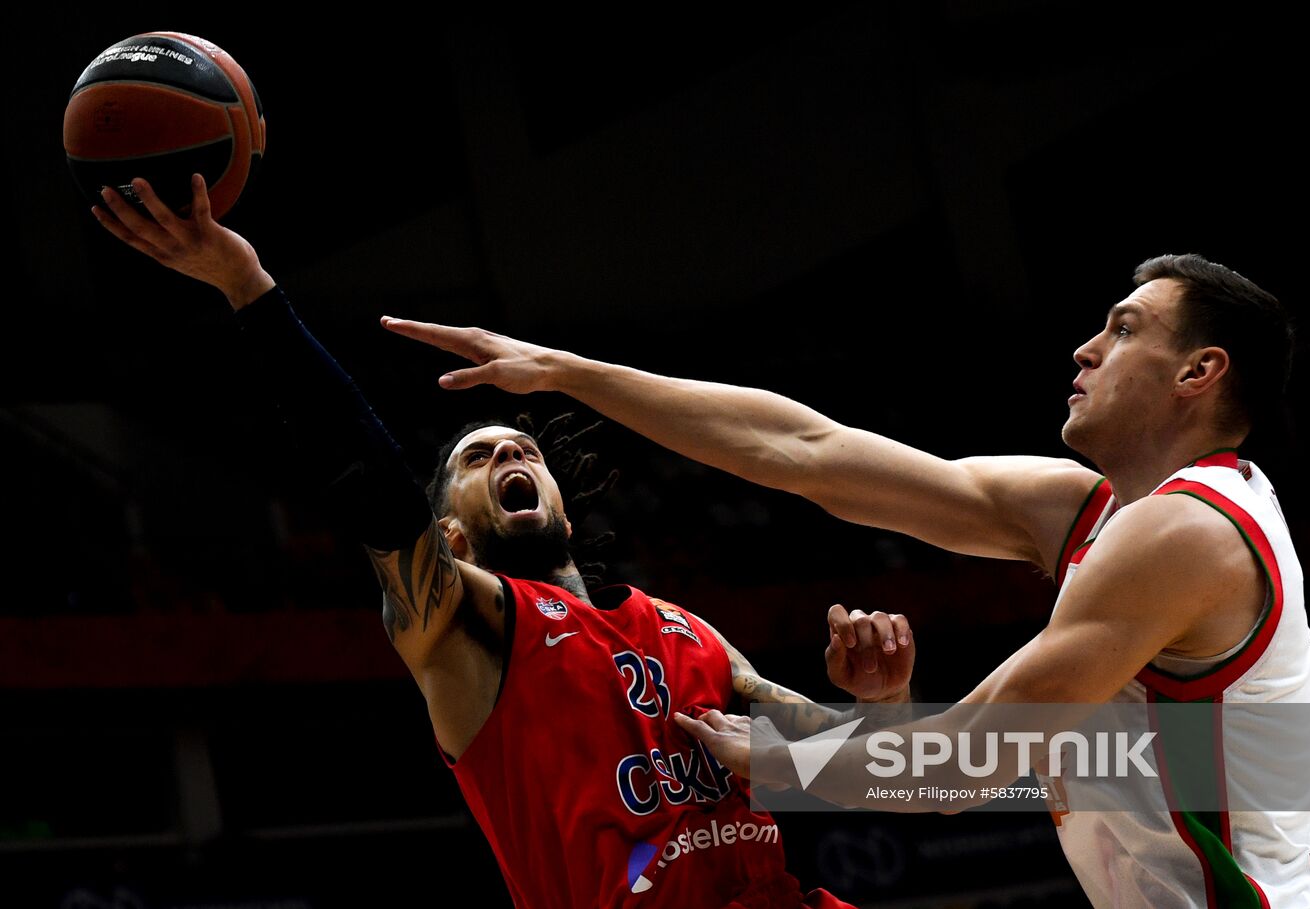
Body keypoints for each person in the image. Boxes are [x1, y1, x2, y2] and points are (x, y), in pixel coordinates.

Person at [379, 256, 1310, 908]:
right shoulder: (1086, 507)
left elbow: (959, 769)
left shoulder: (1184, 532)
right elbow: (803, 450)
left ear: (1198, 373)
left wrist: (781, 758)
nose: (1084, 349)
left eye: (1123, 330)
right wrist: (567, 374)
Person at [89, 175, 917, 908]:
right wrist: (249, 288)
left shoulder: (688, 629)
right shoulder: (464, 628)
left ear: (557, 489)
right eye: (476, 458)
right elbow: (371, 490)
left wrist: (879, 705)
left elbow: (894, 774)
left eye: (522, 450)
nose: (509, 456)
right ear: (448, 529)